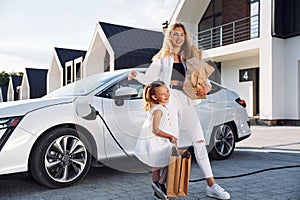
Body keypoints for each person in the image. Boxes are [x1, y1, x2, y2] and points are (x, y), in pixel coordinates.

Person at [129, 23, 230, 200]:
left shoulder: (190, 56)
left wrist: (205, 87)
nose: (178, 37)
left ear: (185, 37)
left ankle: (212, 185)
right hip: (170, 98)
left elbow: (204, 81)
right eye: (174, 34)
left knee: (199, 139)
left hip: (187, 98)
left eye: (181, 35)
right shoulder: (161, 57)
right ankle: (159, 183)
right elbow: (149, 79)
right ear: (169, 37)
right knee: (168, 142)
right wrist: (135, 75)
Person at [134, 81, 178, 200]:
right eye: (163, 94)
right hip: (160, 142)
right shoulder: (158, 109)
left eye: (167, 91)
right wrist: (170, 136)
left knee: (157, 166)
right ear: (154, 97)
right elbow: (155, 129)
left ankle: (157, 191)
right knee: (170, 162)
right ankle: (159, 184)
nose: (167, 95)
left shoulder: (158, 107)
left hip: (157, 142)